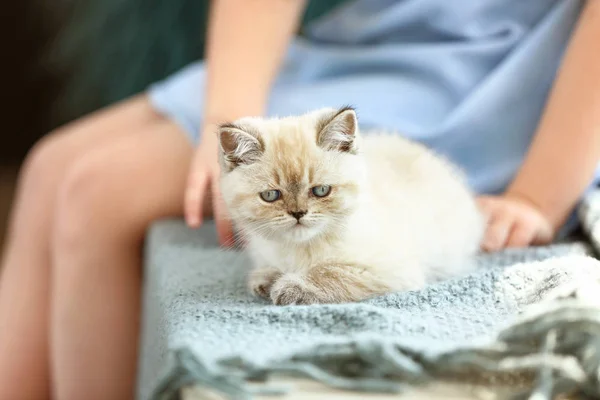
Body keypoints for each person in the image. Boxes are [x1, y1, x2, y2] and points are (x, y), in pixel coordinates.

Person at [1, 0, 599, 399]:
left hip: (494, 66)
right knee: (51, 165)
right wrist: (229, 118)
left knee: (92, 195)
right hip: (362, 36)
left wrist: (537, 196)